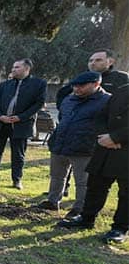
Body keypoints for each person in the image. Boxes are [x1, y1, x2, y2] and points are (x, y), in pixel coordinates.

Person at [55, 67, 128, 242]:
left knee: (126, 193)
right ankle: (86, 218)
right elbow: (101, 116)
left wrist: (116, 138)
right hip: (105, 148)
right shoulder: (123, 90)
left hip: (125, 150)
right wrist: (104, 136)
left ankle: (120, 228)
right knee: (95, 186)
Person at [35, 71, 110, 217]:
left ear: (96, 84)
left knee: (83, 181)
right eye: (75, 86)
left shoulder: (106, 101)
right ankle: (52, 201)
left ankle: (80, 208)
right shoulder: (69, 99)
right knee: (57, 175)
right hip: (61, 143)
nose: (77, 89)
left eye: (82, 86)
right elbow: (63, 118)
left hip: (85, 147)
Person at [0, 58, 47, 189]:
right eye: (13, 67)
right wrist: (0, 116)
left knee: (18, 154)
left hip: (21, 124)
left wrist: (21, 117)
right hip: (1, 123)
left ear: (26, 69)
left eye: (17, 67)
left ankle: (17, 180)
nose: (13, 69)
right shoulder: (5, 84)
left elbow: (38, 104)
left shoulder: (39, 84)